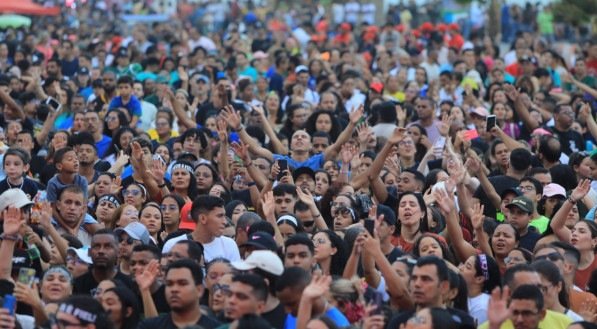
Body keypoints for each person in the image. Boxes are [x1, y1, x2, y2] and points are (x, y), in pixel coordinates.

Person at [137, 259, 222, 329]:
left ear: (199, 290)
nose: (174, 289)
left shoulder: (217, 328)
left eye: (182, 283)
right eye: (169, 284)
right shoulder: (149, 326)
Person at [162, 195, 240, 262]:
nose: (225, 222)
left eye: (224, 216)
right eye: (220, 216)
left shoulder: (229, 245)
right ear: (203, 218)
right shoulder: (172, 245)